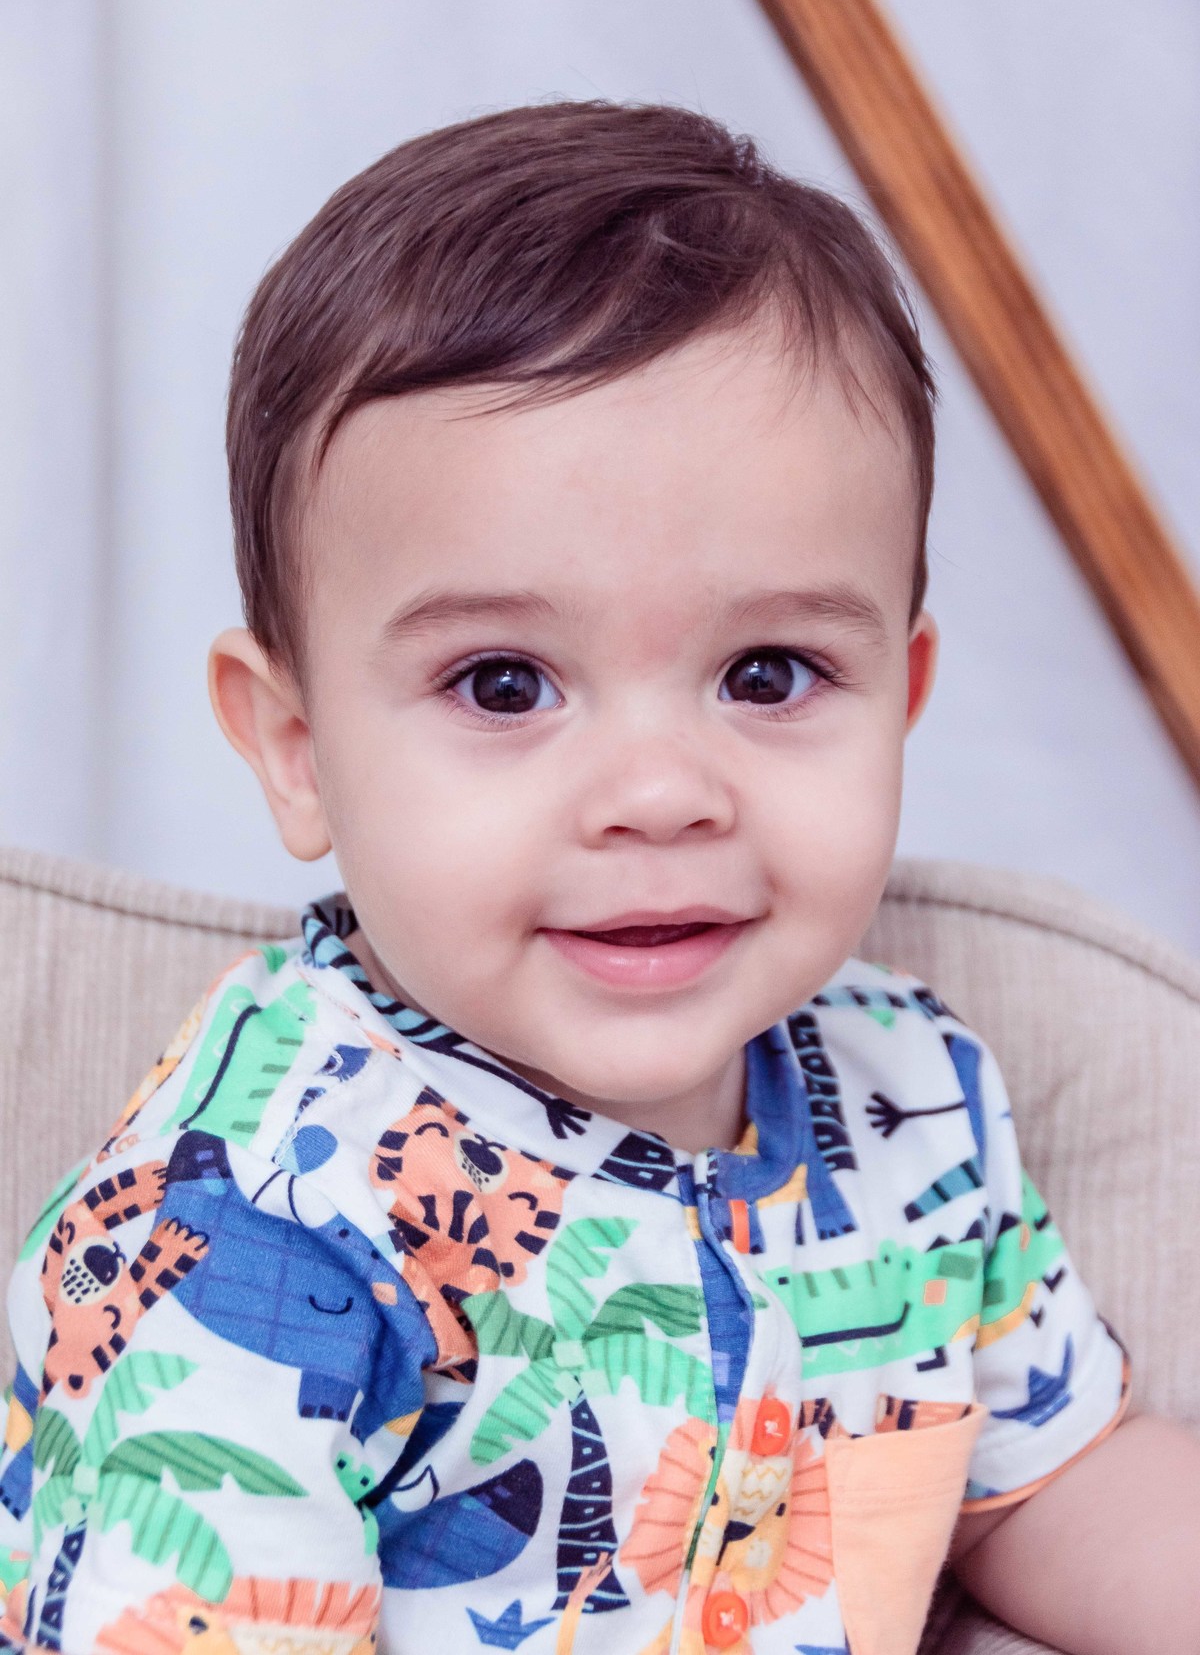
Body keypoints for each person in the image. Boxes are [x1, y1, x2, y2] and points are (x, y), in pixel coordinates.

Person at [0, 102, 1195, 1655]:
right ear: (296, 748)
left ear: (900, 700)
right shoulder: (249, 1229)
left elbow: (1047, 1488)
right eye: (505, 685)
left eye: (768, 673)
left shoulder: (915, 1096)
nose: (660, 795)